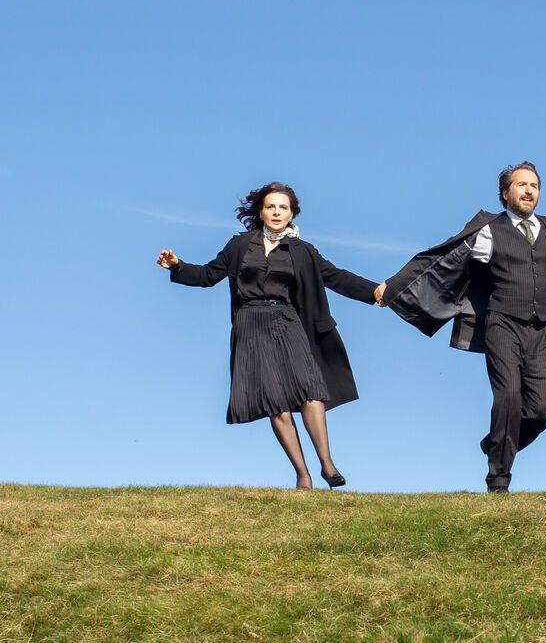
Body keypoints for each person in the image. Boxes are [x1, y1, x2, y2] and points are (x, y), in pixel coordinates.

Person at [375, 162, 546, 493]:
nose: (529, 190)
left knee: (540, 410)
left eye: (534, 185)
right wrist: (392, 286)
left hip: (542, 330)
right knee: (508, 396)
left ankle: (496, 442)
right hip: (501, 323)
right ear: (506, 193)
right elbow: (438, 256)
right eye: (521, 185)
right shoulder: (488, 229)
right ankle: (499, 479)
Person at [158, 182, 380, 489]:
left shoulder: (302, 251)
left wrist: (374, 291)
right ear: (261, 211)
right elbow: (208, 275)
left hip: (288, 321)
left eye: (283, 208)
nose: (277, 212)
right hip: (250, 324)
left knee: (310, 389)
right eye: (271, 206)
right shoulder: (239, 246)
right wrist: (178, 266)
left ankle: (327, 465)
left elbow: (335, 276)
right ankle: (302, 476)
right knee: (275, 401)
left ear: (292, 214)